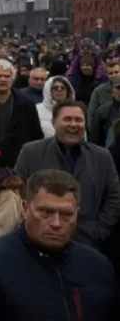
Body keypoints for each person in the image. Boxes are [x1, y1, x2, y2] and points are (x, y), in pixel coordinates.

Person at [0, 169, 116, 320]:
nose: (56, 223)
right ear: (25, 209)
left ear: (77, 214)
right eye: (45, 212)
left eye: (66, 214)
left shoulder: (98, 267)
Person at [15, 100, 120, 249]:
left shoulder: (102, 156)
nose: (73, 125)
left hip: (87, 242)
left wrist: (100, 229)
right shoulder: (31, 152)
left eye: (78, 120)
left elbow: (114, 197)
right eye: (67, 119)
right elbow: (18, 193)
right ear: (53, 122)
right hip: (37, 241)